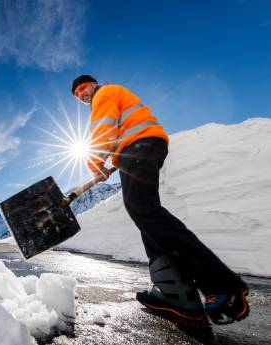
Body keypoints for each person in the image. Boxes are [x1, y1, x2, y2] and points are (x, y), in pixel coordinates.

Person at [71, 74, 250, 325]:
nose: (81, 94)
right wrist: (110, 161)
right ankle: (173, 290)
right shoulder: (109, 97)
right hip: (137, 149)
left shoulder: (105, 93)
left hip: (139, 147)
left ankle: (222, 285)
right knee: (143, 214)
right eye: (77, 95)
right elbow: (114, 129)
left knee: (145, 211)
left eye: (82, 88)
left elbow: (103, 128)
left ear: (93, 84)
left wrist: (95, 163)